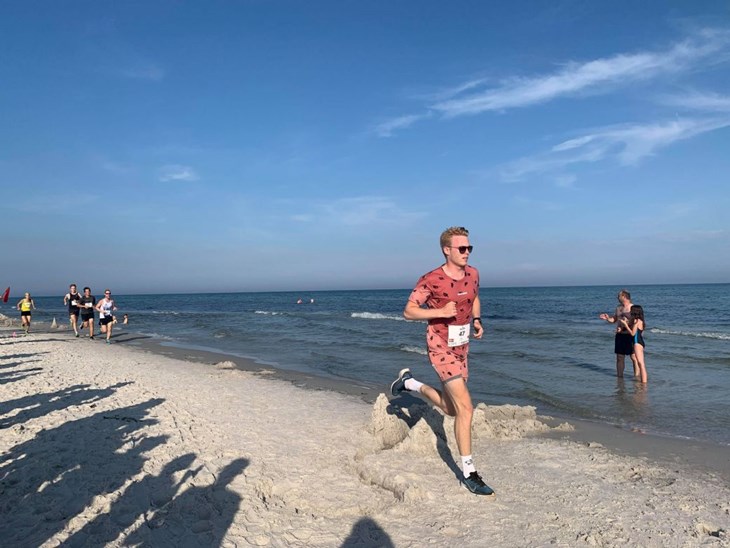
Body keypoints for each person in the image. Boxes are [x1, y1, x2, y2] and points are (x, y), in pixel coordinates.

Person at [390, 226, 494, 496]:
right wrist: (440, 311)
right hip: (440, 346)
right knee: (466, 408)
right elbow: (409, 312)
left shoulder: (473, 274)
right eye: (462, 248)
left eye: (469, 248)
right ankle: (470, 474)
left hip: (461, 346)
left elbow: (474, 296)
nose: (467, 252)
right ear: (447, 250)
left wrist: (477, 320)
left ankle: (409, 383)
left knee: (451, 409)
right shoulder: (431, 279)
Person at [599, 290, 639, 378]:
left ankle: (636, 377)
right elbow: (614, 319)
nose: (617, 297)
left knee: (633, 357)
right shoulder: (618, 308)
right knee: (619, 357)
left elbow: (637, 323)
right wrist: (607, 318)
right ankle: (620, 378)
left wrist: (624, 327)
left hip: (630, 334)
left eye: (619, 296)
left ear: (624, 296)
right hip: (620, 335)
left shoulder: (633, 308)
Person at [620, 305, 648, 383]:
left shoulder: (637, 321)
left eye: (631, 311)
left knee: (641, 364)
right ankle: (644, 382)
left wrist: (625, 325)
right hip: (641, 342)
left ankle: (644, 383)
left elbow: (632, 333)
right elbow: (641, 333)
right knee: (641, 364)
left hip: (637, 343)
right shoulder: (641, 321)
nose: (630, 312)